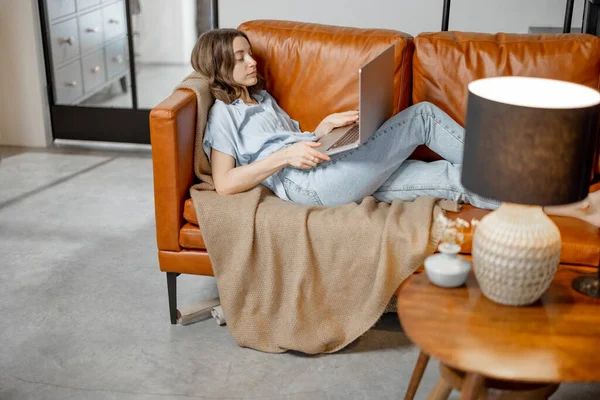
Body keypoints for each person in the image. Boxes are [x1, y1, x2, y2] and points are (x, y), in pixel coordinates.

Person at [190, 28, 600, 228]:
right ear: (219, 65)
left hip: (325, 165)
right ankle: (519, 171)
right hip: (308, 185)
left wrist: (320, 129)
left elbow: (294, 143)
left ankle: (564, 206)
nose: (251, 62)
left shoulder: (260, 99)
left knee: (445, 176)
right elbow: (225, 183)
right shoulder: (224, 114)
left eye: (250, 53)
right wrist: (286, 155)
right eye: (240, 57)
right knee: (421, 115)